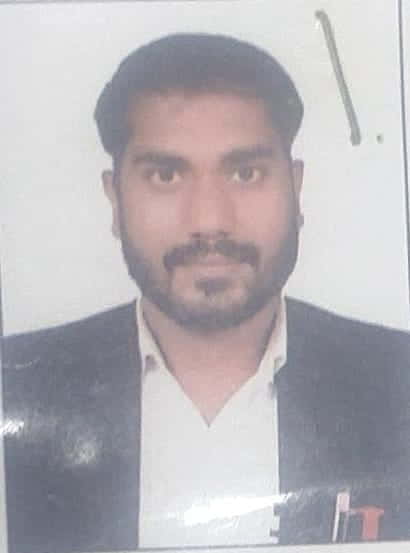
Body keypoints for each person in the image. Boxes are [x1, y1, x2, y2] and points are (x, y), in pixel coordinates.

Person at [2, 33, 410, 553]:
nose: (210, 219)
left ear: (296, 187)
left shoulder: (398, 380)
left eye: (245, 173)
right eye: (166, 175)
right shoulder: (16, 387)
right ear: (115, 199)